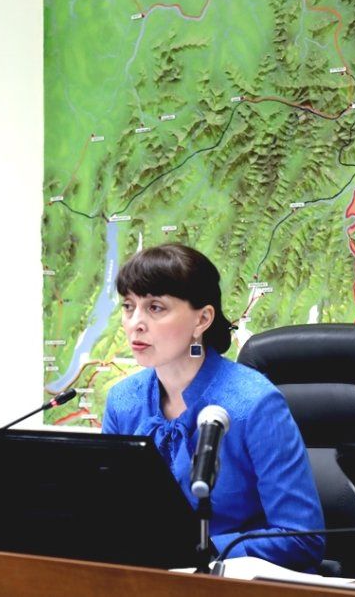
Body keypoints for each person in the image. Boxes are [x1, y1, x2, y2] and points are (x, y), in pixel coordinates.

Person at [102, 243, 324, 571]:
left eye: (155, 308)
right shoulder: (123, 402)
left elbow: (302, 538)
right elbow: (109, 514)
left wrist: (195, 549)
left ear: (202, 319)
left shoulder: (255, 404)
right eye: (128, 306)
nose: (136, 323)